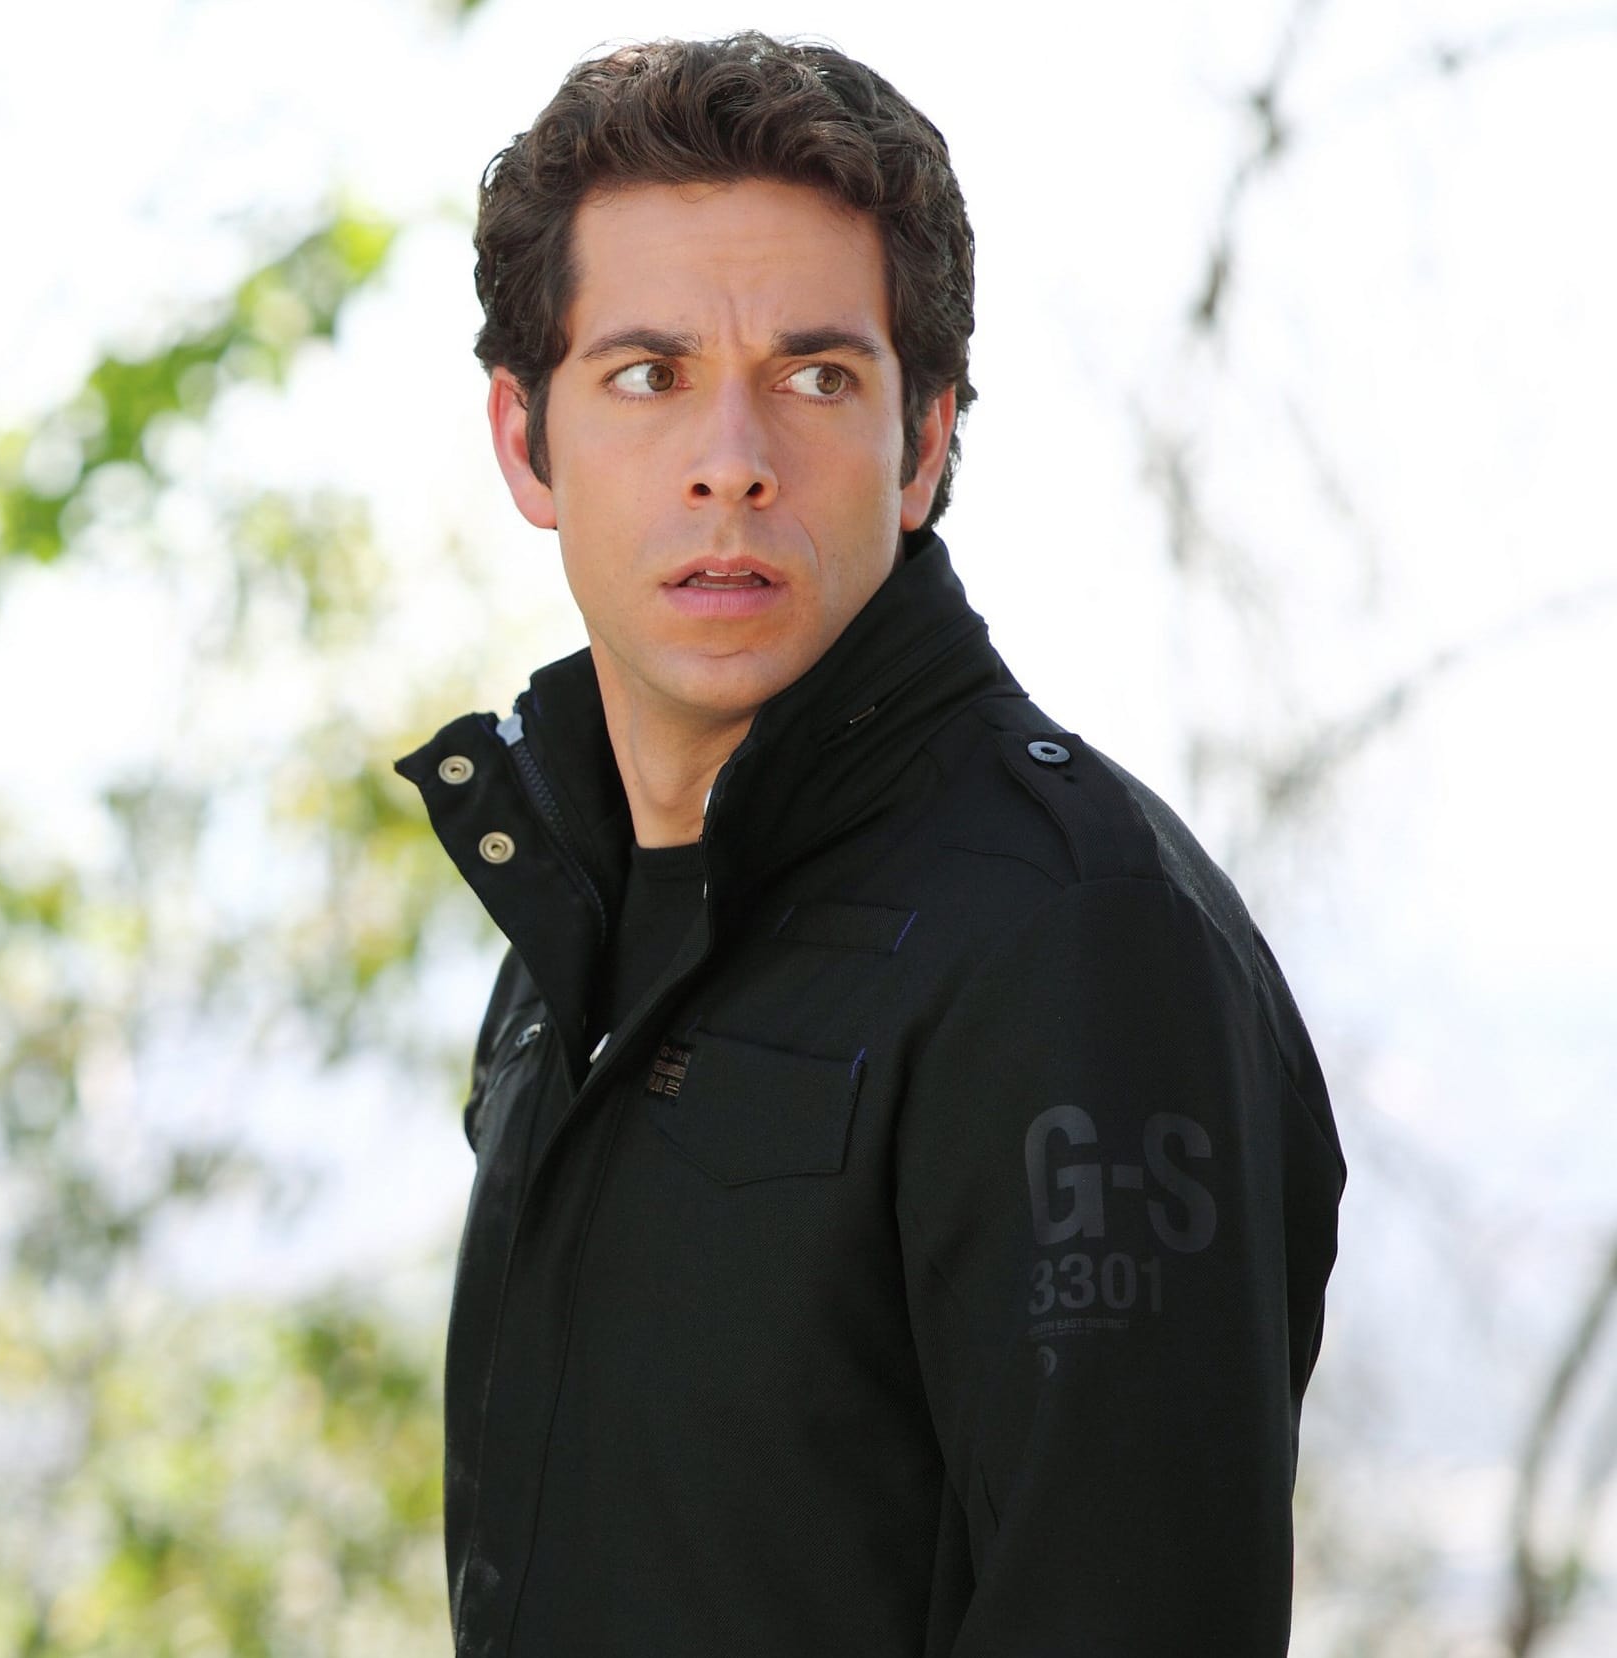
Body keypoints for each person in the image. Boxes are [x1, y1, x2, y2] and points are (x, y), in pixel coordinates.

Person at [397, 35, 1344, 1656]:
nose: (733, 458)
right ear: (523, 438)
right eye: (649, 374)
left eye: (818, 377)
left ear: (924, 445)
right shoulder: (578, 912)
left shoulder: (1078, 937)